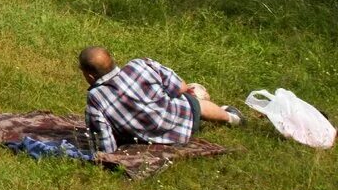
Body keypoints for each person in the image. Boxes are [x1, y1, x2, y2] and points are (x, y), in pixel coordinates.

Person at [79, 47, 243, 154]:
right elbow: (180, 87)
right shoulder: (139, 65)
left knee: (191, 98)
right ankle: (232, 118)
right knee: (194, 101)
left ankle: (215, 107)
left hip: (147, 141)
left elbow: (104, 142)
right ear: (112, 60)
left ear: (90, 76)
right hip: (180, 121)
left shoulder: (95, 98)